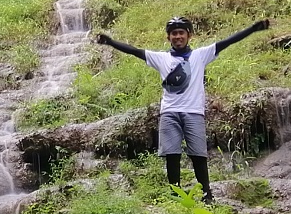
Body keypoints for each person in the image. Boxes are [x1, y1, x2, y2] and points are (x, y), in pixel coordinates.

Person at [93, 14, 270, 203]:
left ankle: (206, 194)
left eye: (181, 33)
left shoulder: (200, 55)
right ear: (168, 37)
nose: (178, 37)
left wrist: (253, 29)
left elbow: (227, 42)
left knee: (198, 154)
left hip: (194, 112)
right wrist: (111, 42)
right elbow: (134, 51)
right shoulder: (161, 58)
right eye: (174, 34)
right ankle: (175, 193)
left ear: (189, 35)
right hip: (169, 112)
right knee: (172, 154)